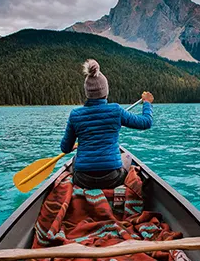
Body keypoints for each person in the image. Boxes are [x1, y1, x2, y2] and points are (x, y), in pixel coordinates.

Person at [60, 59, 154, 189]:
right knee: (127, 157)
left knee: (76, 159)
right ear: (105, 91)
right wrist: (147, 103)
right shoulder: (115, 110)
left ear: (87, 92)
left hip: (82, 180)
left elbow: (65, 148)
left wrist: (76, 145)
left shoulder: (75, 114)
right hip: (112, 178)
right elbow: (146, 122)